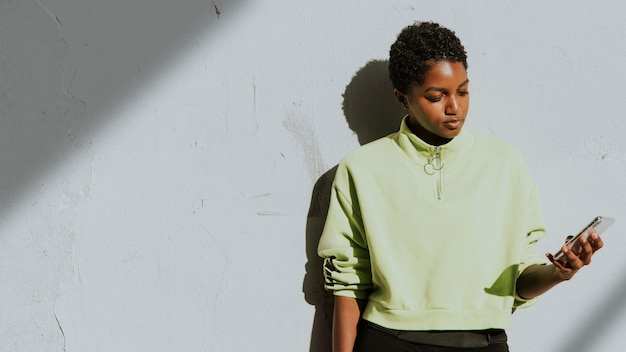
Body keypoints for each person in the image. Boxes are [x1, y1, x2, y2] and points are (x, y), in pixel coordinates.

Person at [317, 21, 604, 352]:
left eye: (463, 92)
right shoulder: (363, 168)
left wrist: (560, 273)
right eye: (436, 96)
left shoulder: (506, 164)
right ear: (403, 98)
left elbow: (520, 281)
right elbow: (348, 284)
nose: (454, 107)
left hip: (485, 343)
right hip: (389, 340)